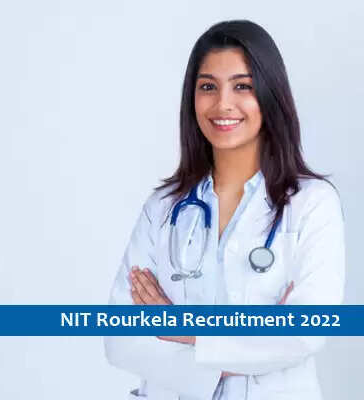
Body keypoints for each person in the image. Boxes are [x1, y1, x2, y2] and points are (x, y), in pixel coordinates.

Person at [103, 20, 345, 399]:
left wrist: (183, 329)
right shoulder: (163, 208)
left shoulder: (311, 204)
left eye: (242, 86)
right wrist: (253, 342)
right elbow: (120, 339)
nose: (223, 104)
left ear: (270, 93)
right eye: (208, 87)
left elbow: (305, 332)